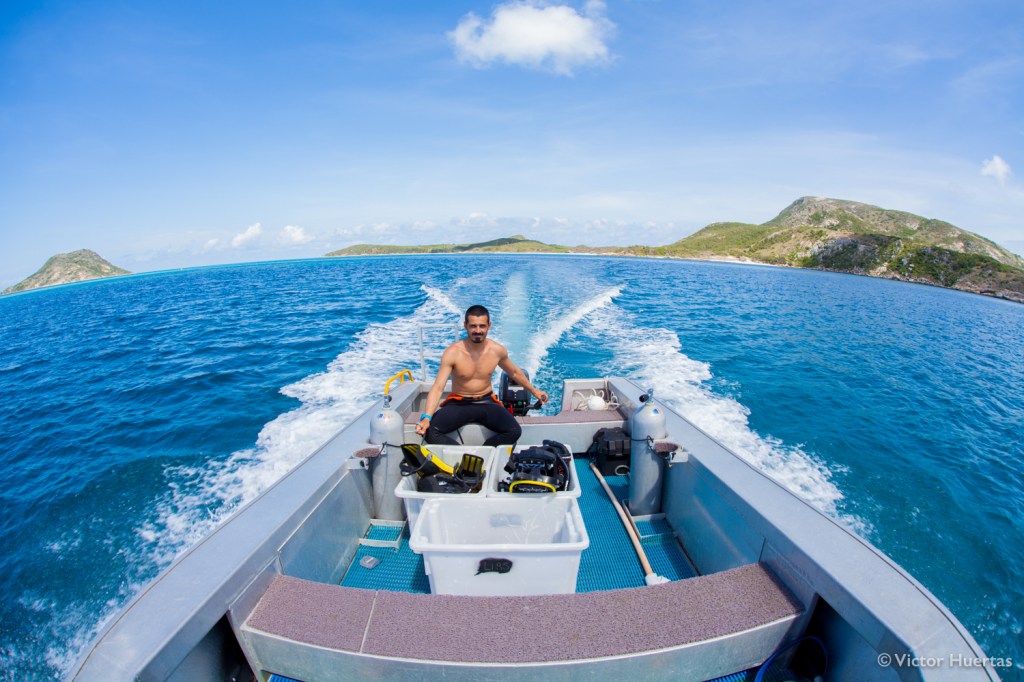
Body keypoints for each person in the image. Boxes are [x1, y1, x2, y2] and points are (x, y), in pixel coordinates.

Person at [416, 304, 548, 446]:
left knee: (514, 431)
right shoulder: (452, 353)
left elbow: (515, 372)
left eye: (482, 326)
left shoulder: (497, 350)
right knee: (430, 433)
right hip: (459, 403)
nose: (478, 331)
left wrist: (535, 391)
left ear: (489, 326)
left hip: (486, 402)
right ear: (465, 325)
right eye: (473, 326)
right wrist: (426, 417)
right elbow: (438, 387)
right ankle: (462, 459)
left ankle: (485, 456)